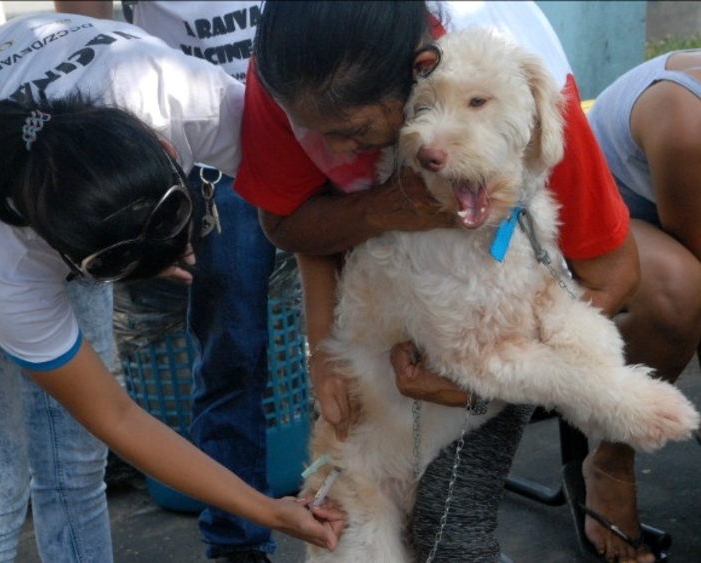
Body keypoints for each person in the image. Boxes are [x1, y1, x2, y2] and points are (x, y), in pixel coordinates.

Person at [235, 2, 640, 563]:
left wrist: (480, 383)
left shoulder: (516, 83)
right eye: (312, 132)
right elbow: (289, 219)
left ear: (421, 72)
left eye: (350, 132)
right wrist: (326, 346)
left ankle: (608, 470)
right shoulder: (291, 67)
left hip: (503, 338)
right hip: (376, 326)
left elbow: (614, 276)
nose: (329, 152)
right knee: (349, 513)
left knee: (449, 535)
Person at [0, 12, 343, 563]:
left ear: (166, 148)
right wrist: (266, 509)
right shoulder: (5, 261)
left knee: (75, 460)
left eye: (177, 217)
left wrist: (325, 349)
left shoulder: (188, 97)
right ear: (68, 257)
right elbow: (117, 416)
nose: (188, 253)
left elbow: (307, 211)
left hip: (67, 154)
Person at [54, 3, 278, 562]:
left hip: (305, 99)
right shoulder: (179, 104)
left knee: (367, 330)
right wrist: (144, 231)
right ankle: (239, 547)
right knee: (233, 353)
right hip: (187, 141)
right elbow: (115, 416)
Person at [580, 49, 701, 563]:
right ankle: (611, 458)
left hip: (671, 222)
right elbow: (695, 246)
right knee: (681, 293)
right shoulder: (686, 120)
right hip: (591, 217)